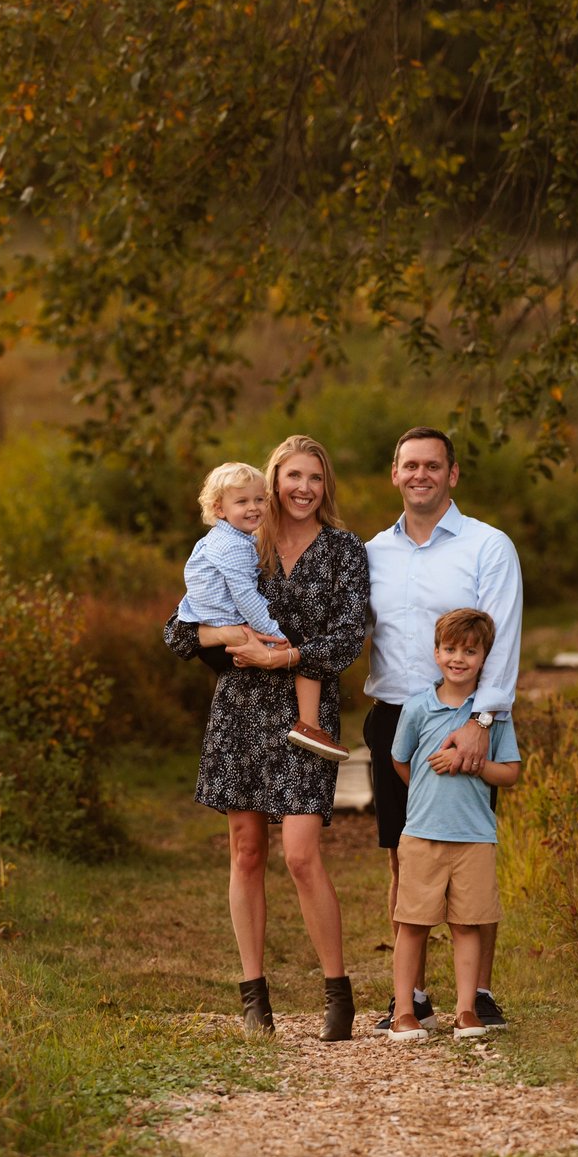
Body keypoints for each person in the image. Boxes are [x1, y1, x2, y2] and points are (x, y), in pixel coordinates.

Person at [164, 434, 372, 1040]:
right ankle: (254, 994)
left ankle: (337, 992)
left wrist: (283, 658)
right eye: (292, 477)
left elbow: (347, 639)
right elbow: (179, 631)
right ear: (273, 481)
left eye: (315, 477)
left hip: (306, 716)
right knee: (246, 851)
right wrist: (234, 642)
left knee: (302, 854)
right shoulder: (237, 542)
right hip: (240, 709)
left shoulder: (344, 550)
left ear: (325, 485)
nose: (302, 488)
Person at [363, 425, 522, 1030]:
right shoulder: (374, 551)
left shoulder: (487, 546)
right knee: (406, 855)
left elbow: (501, 637)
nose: (420, 475)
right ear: (395, 474)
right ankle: (414, 998)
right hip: (395, 719)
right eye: (410, 465)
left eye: (433, 465)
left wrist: (483, 718)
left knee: (471, 849)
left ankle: (475, 994)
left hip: (467, 717)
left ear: (452, 475)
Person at [386, 608, 522, 1041]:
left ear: (484, 657)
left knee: (467, 924)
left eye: (470, 650)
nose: (458, 658)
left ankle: (466, 1010)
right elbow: (400, 760)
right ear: (436, 652)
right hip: (423, 833)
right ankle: (404, 1012)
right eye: (449, 649)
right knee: (413, 924)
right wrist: (426, 791)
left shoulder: (492, 715)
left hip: (474, 837)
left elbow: (511, 773)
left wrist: (472, 766)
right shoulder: (417, 707)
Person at [176, 462, 349, 767]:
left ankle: (306, 724)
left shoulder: (223, 539)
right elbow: (245, 596)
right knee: (298, 642)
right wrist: (273, 633)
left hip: (211, 626)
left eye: (259, 500)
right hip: (224, 633)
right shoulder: (235, 546)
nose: (254, 508)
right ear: (219, 508)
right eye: (242, 502)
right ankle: (309, 724)